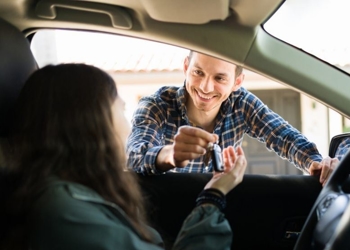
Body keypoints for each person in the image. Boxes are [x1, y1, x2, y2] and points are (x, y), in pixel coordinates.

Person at [0, 63, 247, 250]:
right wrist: (213, 195)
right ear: (92, 122)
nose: (127, 125)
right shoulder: (63, 209)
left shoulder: (75, 193)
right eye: (120, 109)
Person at [126, 50, 338, 184]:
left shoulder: (241, 103)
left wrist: (316, 163)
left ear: (237, 83)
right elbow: (134, 158)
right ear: (185, 67)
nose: (205, 87)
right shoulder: (156, 105)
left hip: (218, 206)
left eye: (219, 78)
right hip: (163, 213)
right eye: (198, 72)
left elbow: (283, 136)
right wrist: (170, 154)